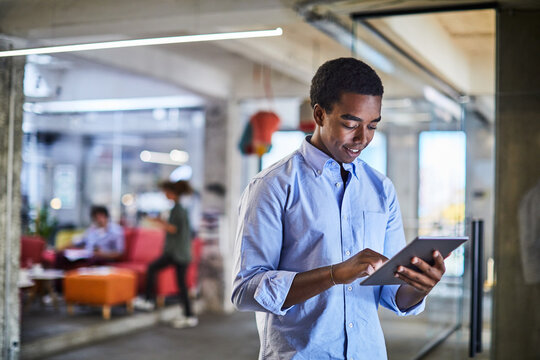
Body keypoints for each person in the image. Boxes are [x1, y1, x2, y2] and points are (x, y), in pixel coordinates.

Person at [231, 57, 447, 359]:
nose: (363, 138)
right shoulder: (272, 185)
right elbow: (245, 290)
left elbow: (392, 294)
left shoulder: (381, 189)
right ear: (319, 114)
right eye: (350, 124)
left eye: (372, 126)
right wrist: (333, 274)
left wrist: (420, 285)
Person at [134, 180, 198, 328]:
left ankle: (187, 315)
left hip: (178, 254)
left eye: (166, 192)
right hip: (178, 253)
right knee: (162, 274)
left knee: (158, 272)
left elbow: (173, 229)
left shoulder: (178, 209)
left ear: (173, 193)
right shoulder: (178, 208)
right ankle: (187, 315)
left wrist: (158, 221)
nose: (165, 195)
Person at [56, 205, 124, 269]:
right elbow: (78, 241)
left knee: (94, 260)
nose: (98, 220)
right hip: (87, 256)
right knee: (61, 257)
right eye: (96, 217)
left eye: (100, 216)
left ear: (106, 216)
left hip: (103, 259)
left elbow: (119, 253)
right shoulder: (92, 230)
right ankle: (61, 280)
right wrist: (62, 249)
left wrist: (102, 254)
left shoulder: (116, 231)